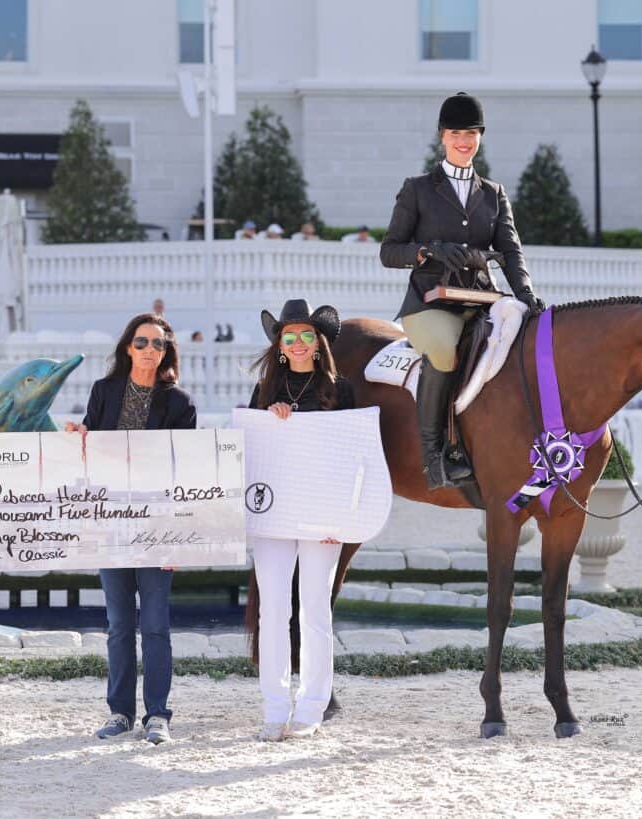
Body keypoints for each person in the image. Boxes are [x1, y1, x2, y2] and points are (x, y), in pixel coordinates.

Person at [380, 91, 545, 490]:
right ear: (443, 137)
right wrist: (427, 251)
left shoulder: (493, 193)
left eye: (471, 133)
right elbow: (389, 251)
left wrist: (524, 294)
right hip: (429, 303)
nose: (463, 140)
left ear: (480, 137)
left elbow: (510, 249)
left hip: (480, 299)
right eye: (455, 132)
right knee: (442, 348)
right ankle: (434, 452)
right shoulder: (417, 189)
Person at [64, 313, 197, 745]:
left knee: (156, 624)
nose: (149, 350)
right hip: (109, 524)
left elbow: (185, 474)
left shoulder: (180, 404)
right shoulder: (104, 392)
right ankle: (120, 712)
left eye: (158, 344)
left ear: (166, 353)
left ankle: (157, 715)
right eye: (142, 342)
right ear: (128, 348)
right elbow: (90, 451)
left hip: (158, 525)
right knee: (119, 626)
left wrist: (181, 536)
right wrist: (78, 435)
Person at [248, 299, 354, 742]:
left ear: (318, 342)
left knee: (315, 609)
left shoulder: (339, 389)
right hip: (275, 511)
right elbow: (251, 447)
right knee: (273, 608)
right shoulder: (263, 390)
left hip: (322, 511)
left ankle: (311, 706)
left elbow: (354, 454)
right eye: (288, 337)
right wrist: (270, 422)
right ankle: (275, 706)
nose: (297, 344)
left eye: (306, 335)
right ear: (279, 345)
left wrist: (345, 516)